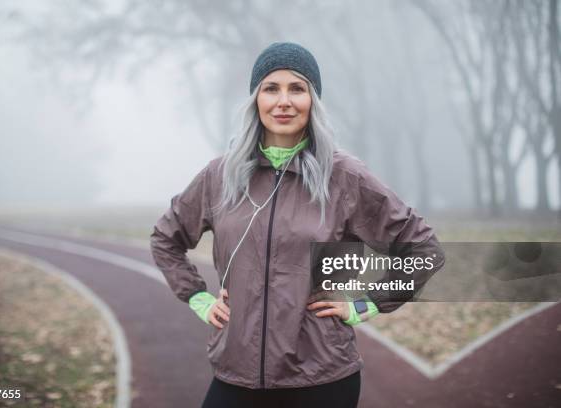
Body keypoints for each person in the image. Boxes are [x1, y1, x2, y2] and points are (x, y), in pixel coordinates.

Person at [151, 42, 445, 408]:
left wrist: (365, 305)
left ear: (313, 101)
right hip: (235, 373)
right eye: (271, 88)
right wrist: (199, 298)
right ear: (255, 99)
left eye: (297, 88)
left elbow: (423, 249)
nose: (284, 101)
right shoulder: (220, 175)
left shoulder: (344, 176)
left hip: (320, 379)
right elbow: (166, 237)